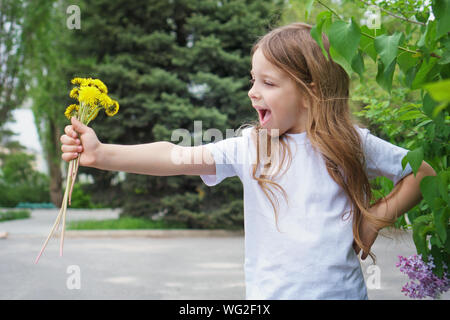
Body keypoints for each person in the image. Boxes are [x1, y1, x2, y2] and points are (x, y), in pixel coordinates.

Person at [60, 22, 436, 299]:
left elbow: (422, 174)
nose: (253, 92)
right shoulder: (251, 147)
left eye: (268, 83)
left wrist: (371, 225)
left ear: (310, 92)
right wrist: (102, 153)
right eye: (253, 79)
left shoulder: (351, 142)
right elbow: (175, 155)